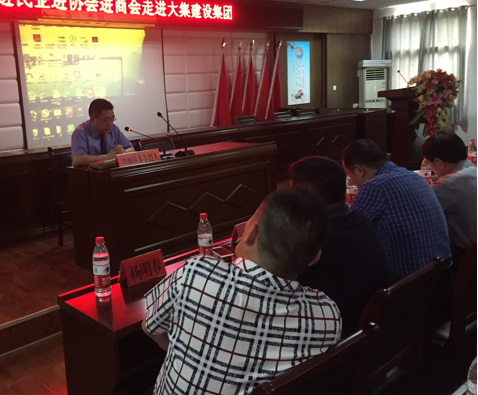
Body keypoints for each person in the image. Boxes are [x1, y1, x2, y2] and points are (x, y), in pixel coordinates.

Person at [142, 189, 342, 395]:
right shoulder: (327, 318)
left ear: (251, 232)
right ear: (314, 258)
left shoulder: (195, 273)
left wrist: (188, 349)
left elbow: (149, 327)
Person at [289, 156, 391, 337]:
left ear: (303, 198)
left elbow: (279, 281)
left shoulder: (316, 238)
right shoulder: (363, 221)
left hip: (340, 334)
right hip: (373, 324)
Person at [341, 139, 451, 280]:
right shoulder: (413, 175)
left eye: (350, 175)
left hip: (408, 284)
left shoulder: (374, 186)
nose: (351, 180)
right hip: (442, 272)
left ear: (359, 170)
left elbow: (350, 233)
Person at [422, 130, 477, 252]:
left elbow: (420, 214)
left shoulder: (445, 186)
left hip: (466, 257)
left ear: (439, 163)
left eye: (429, 164)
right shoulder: (474, 170)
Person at [71, 98, 134, 166]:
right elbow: (78, 159)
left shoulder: (114, 129)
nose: (110, 124)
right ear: (93, 119)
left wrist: (123, 152)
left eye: (112, 119)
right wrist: (107, 157)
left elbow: (131, 149)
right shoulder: (80, 132)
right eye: (106, 120)